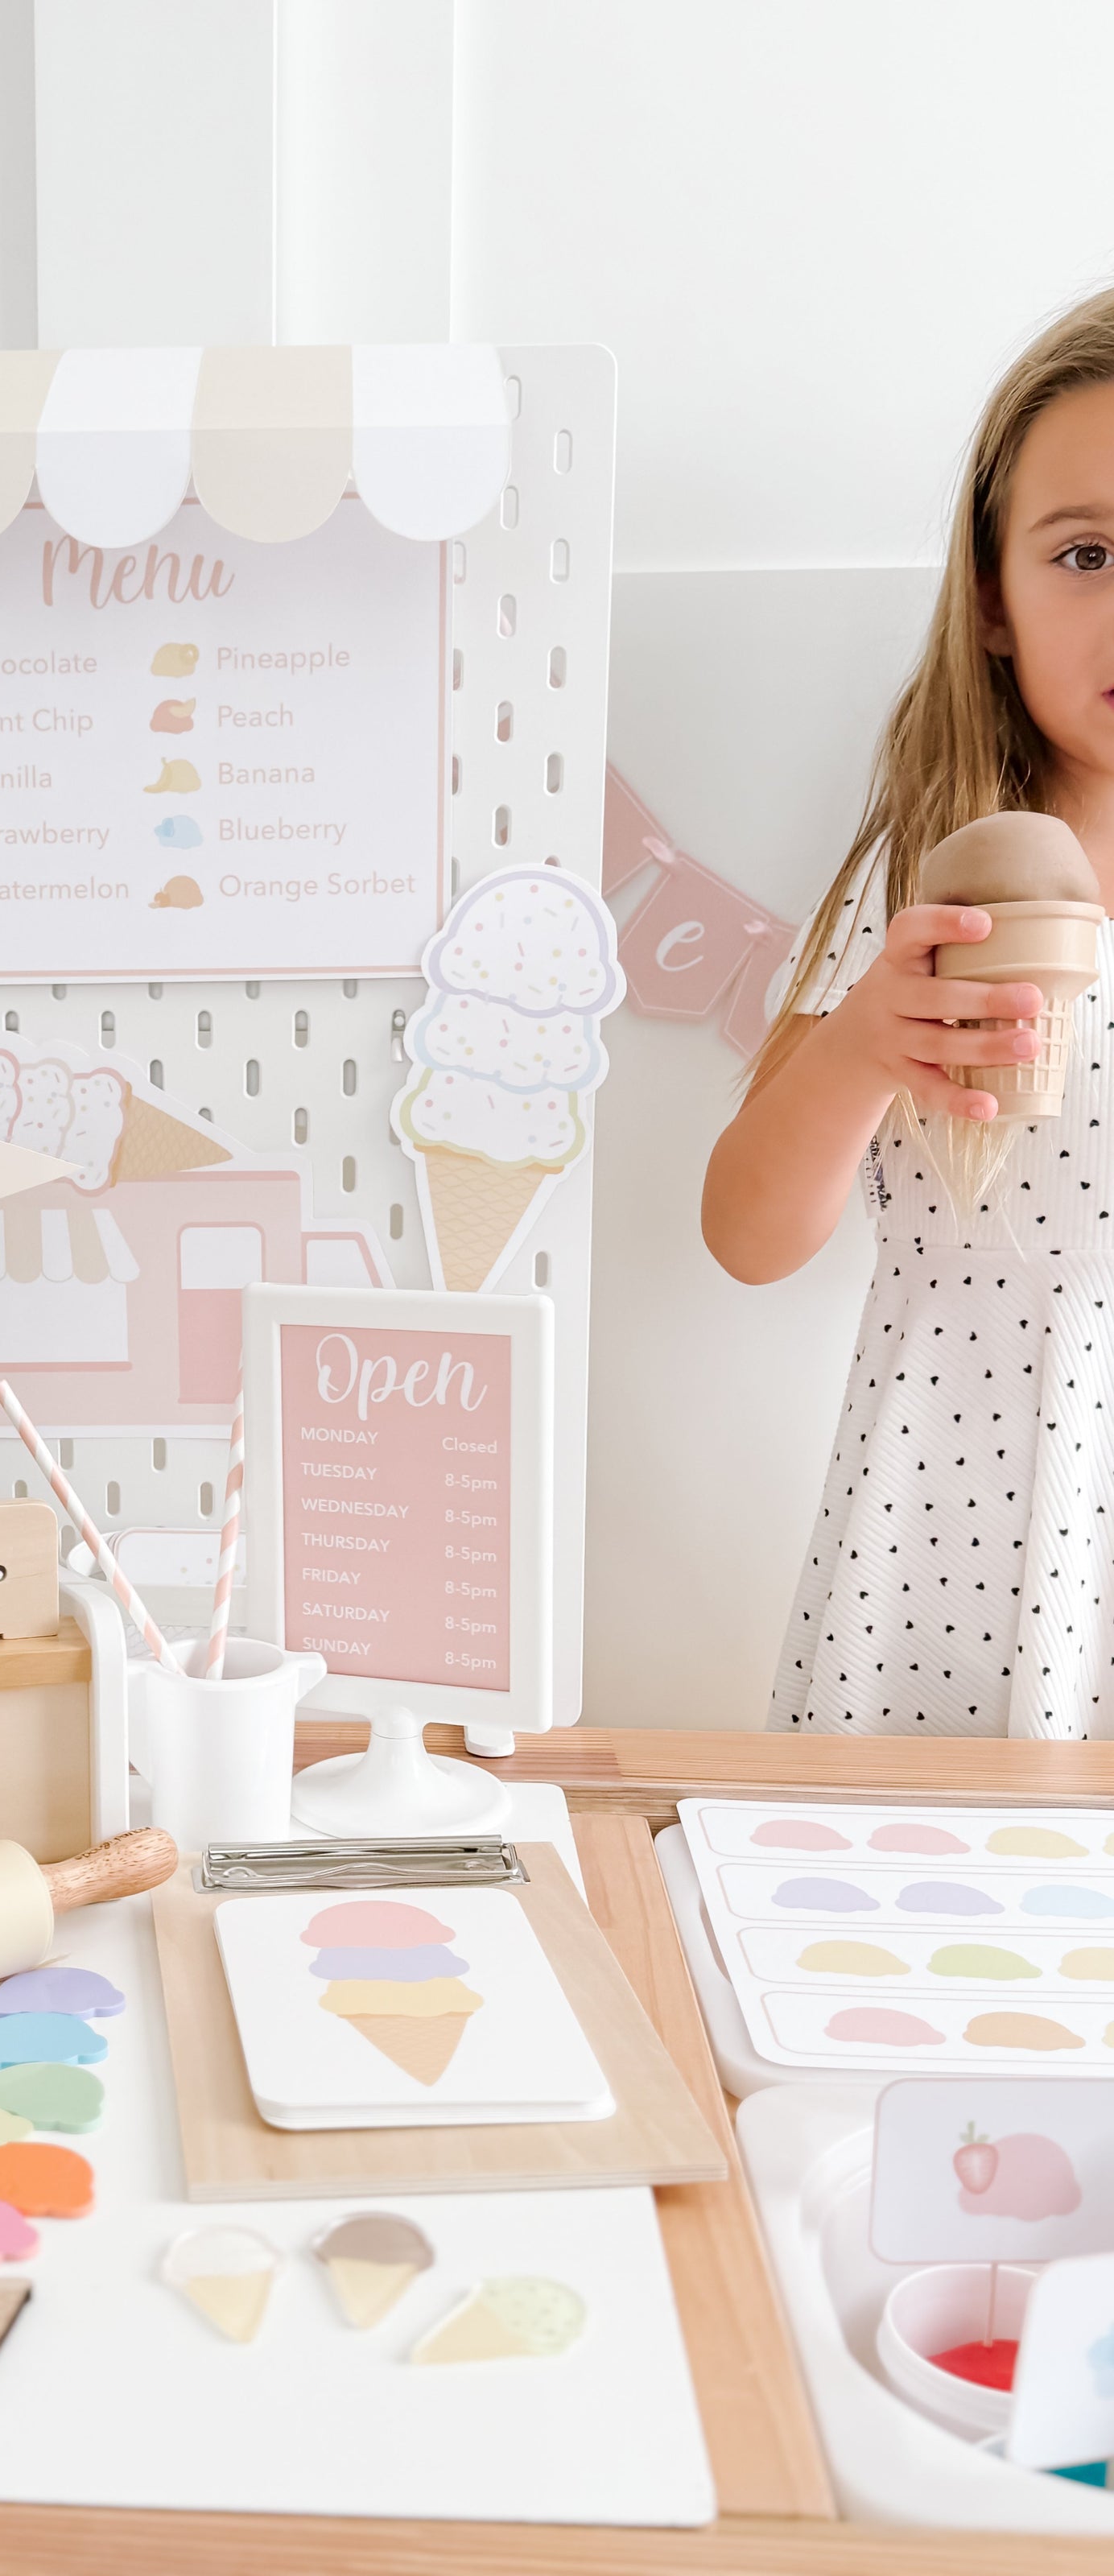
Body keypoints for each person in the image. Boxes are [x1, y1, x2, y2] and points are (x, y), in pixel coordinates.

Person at [703, 288, 1114, 1738]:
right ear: (996, 599)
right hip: (951, 1534)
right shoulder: (942, 877)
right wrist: (864, 1046)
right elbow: (749, 1237)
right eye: (1087, 554)